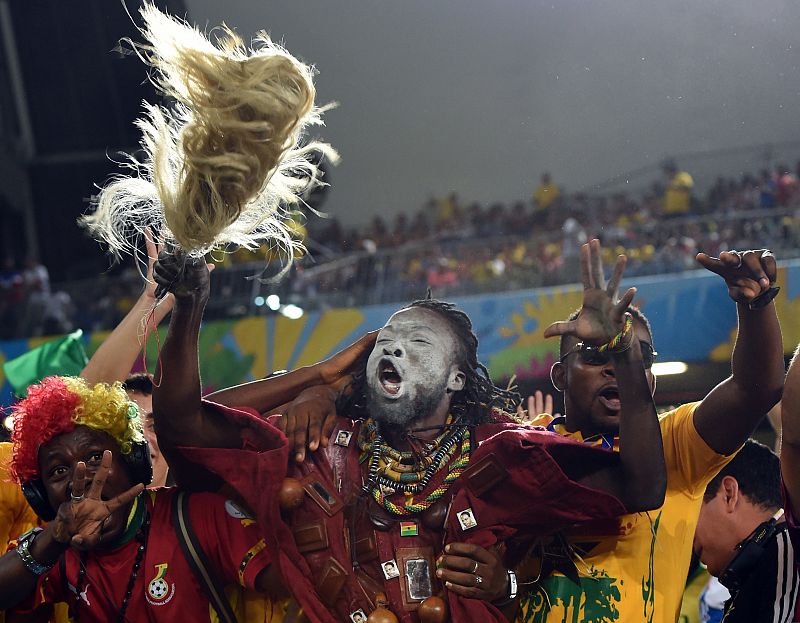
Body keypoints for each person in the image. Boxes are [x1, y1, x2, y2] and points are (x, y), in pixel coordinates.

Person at [150, 239, 667, 623]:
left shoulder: (503, 454)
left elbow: (640, 487)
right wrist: (196, 310)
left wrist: (624, 352)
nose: (395, 348)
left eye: (419, 343)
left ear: (456, 378)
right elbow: (183, 428)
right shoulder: (318, 443)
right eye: (387, 340)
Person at [516, 244, 784, 622]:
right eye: (595, 353)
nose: (614, 366)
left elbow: (755, 389)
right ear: (560, 375)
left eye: (634, 356)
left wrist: (755, 306)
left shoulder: (675, 444)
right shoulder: (524, 448)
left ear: (651, 380)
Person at [0, 376, 282, 622]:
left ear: (132, 461)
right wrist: (54, 540)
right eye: (59, 471)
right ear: (40, 494)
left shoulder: (197, 514)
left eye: (95, 457)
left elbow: (292, 583)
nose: (80, 477)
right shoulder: (51, 550)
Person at [693, 440, 796, 622]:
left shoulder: (786, 552)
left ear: (728, 494)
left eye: (689, 513)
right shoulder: (760, 570)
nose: (685, 535)